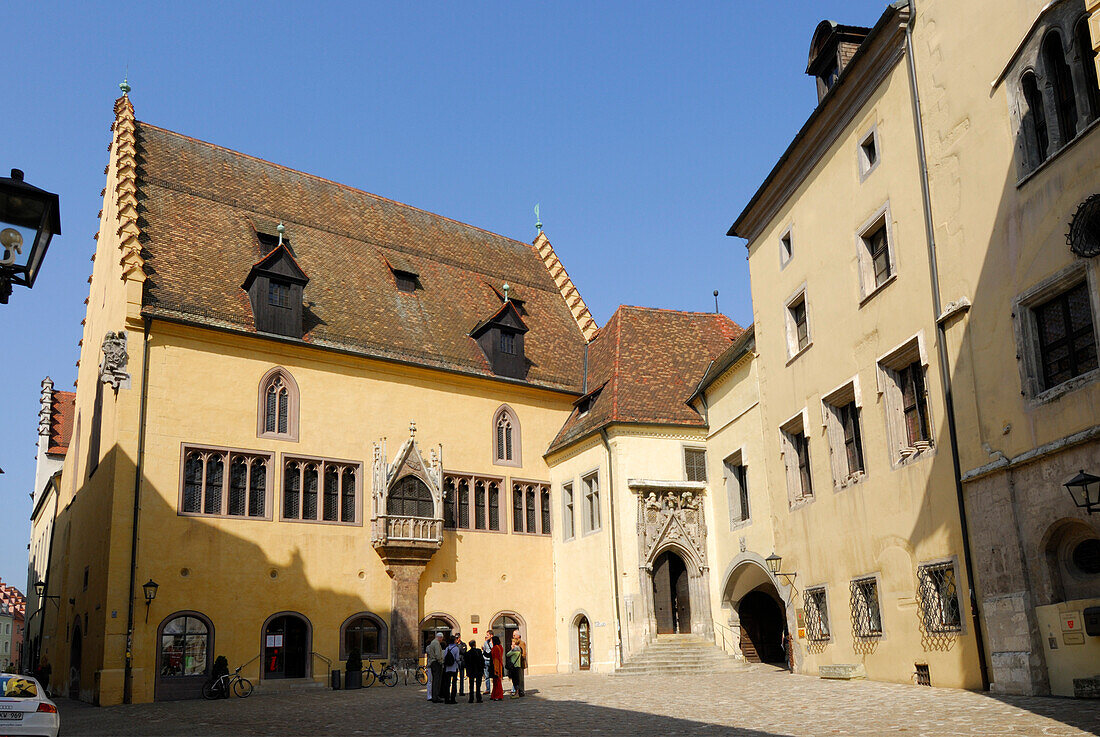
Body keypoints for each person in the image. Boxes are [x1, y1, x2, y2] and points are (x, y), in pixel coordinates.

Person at [426, 632, 445, 703]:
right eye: (442, 638)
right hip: (436, 663)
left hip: (432, 662)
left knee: (434, 680)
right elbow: (437, 654)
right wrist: (441, 661)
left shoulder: (432, 642)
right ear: (440, 637)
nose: (441, 640)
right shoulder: (436, 643)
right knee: (437, 680)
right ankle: (436, 696)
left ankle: (435, 696)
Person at [442, 635, 461, 704]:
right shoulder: (456, 648)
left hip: (447, 668)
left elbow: (444, 657)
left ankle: (447, 698)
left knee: (447, 683)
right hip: (454, 667)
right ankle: (453, 698)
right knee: (454, 683)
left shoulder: (447, 648)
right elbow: (457, 658)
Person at [511, 630, 528, 697]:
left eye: (514, 635)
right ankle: (517, 691)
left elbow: (524, 654)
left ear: (518, 636)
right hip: (515, 664)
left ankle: (521, 691)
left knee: (520, 678)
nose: (513, 636)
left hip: (520, 663)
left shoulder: (522, 643)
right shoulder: (514, 643)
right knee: (516, 678)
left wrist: (519, 659)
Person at [489, 635, 504, 701]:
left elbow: (494, 657)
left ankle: (498, 695)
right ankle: (494, 695)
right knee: (496, 682)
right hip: (498, 665)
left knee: (497, 682)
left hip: (496, 666)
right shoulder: (500, 647)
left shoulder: (495, 648)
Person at [454, 631, 466, 696]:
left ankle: (461, 691)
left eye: (457, 638)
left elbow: (463, 651)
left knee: (461, 677)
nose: (457, 639)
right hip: (455, 662)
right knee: (455, 677)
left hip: (461, 661)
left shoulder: (463, 644)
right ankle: (454, 690)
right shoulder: (454, 645)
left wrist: (458, 648)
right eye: (456, 638)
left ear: (459, 637)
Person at [481, 632, 494, 696]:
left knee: (494, 676)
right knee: (487, 676)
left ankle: (495, 689)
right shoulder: (485, 643)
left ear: (492, 635)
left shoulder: (494, 642)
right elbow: (484, 651)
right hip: (486, 660)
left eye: (488, 635)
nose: (487, 636)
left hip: (492, 661)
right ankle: (488, 689)